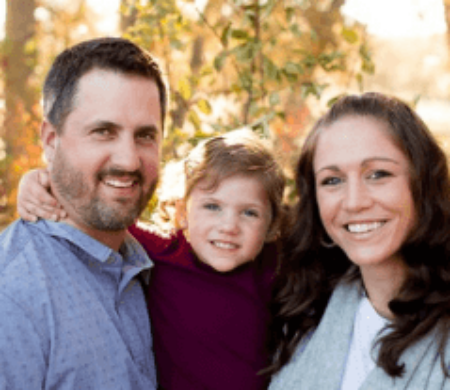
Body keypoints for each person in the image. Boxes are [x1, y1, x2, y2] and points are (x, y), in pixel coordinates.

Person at [18, 130, 286, 389]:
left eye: (249, 213)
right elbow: (91, 208)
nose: (229, 226)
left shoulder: (274, 268)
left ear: (271, 224)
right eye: (212, 206)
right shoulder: (161, 253)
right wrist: (37, 183)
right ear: (182, 212)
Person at [0, 37, 168, 389]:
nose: (128, 160)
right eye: (103, 132)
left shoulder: (155, 265)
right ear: (50, 140)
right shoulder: (12, 295)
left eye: (145, 135)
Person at [267, 92, 450, 389]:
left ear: (422, 181)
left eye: (378, 174)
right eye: (332, 180)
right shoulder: (304, 310)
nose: (353, 202)